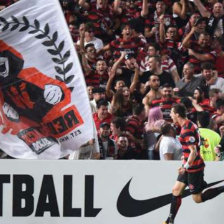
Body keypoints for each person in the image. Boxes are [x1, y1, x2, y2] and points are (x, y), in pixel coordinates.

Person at [163, 104, 224, 224]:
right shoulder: (189, 124)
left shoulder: (186, 129)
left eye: (171, 112)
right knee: (176, 190)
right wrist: (184, 158)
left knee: (197, 198)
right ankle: (169, 221)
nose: (170, 115)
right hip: (188, 165)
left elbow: (194, 151)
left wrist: (185, 167)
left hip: (194, 168)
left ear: (177, 114)